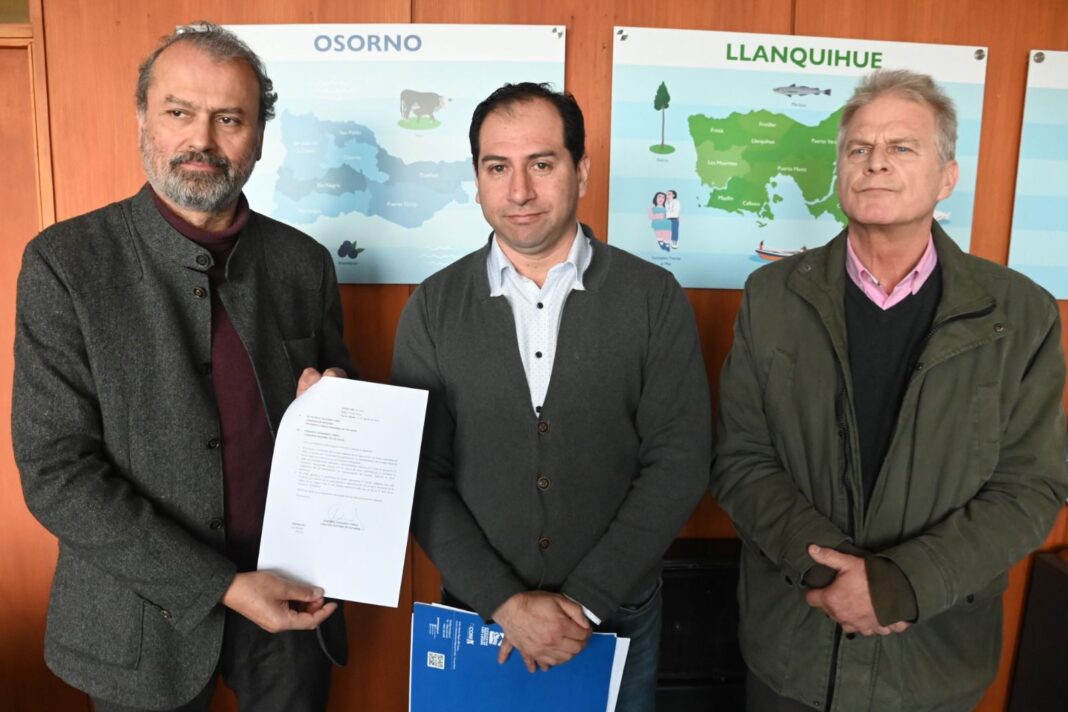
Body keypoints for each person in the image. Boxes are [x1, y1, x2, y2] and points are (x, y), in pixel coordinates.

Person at [13, 22, 354, 712]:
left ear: (259, 137)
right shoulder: (65, 262)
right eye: (179, 112)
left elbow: (338, 412)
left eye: (230, 118)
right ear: (143, 119)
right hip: (138, 613)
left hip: (292, 598)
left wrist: (340, 405)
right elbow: (56, 472)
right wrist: (220, 586)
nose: (202, 140)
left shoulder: (304, 263)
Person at [710, 68, 1068, 712]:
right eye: (859, 148)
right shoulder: (772, 298)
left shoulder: (1022, 315)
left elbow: (1030, 487)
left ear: (947, 177)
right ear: (840, 171)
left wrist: (899, 584)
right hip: (794, 648)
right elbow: (741, 459)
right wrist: (831, 573)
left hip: (931, 662)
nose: (876, 162)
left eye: (902, 147)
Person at [390, 82, 711, 711]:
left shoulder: (652, 298)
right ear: (477, 179)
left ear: (580, 170)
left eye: (541, 164)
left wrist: (585, 601)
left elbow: (679, 462)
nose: (519, 191)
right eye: (497, 168)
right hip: (481, 615)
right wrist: (506, 603)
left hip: (617, 614)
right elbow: (420, 475)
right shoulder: (432, 307)